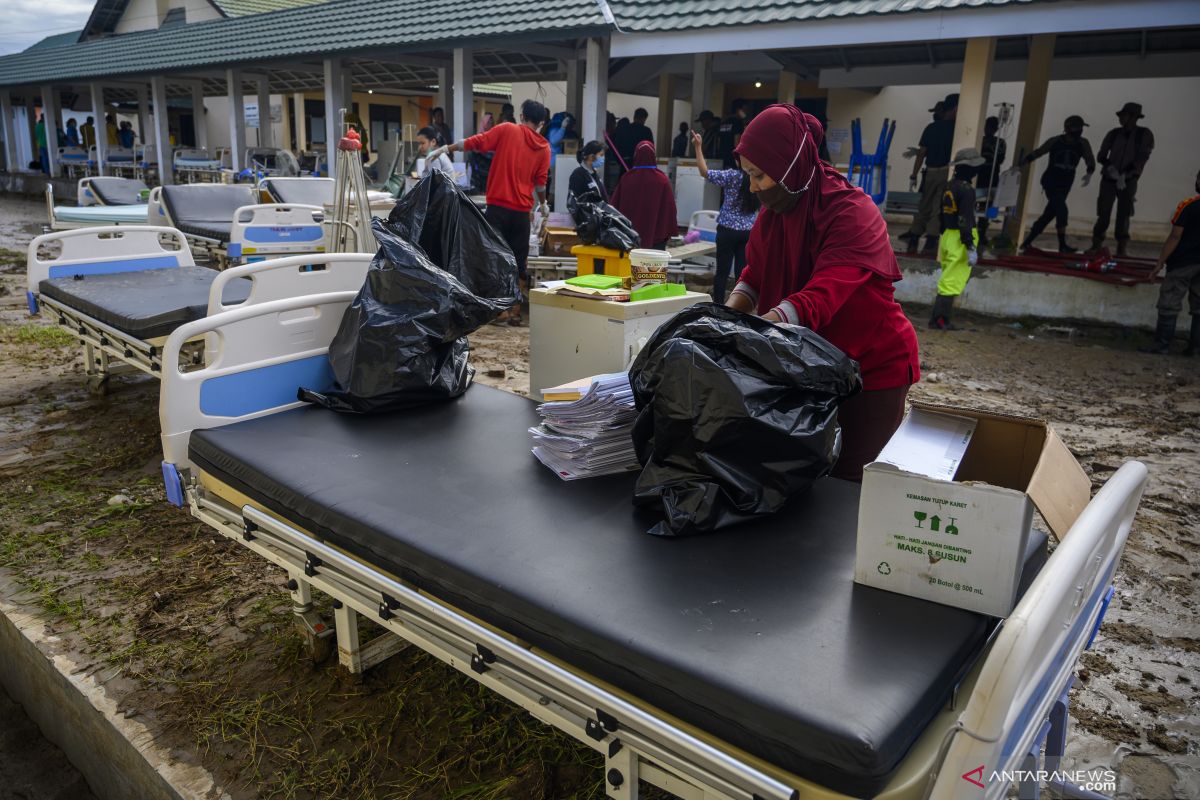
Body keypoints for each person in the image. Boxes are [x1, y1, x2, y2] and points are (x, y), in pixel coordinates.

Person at [726, 105, 920, 482]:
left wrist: (753, 332)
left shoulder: (852, 212)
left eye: (760, 175)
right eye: (748, 175)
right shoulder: (776, 210)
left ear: (788, 165)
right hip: (810, 363)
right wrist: (728, 315)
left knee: (850, 479)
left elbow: (820, 297)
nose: (752, 187)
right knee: (806, 470)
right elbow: (756, 273)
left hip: (870, 368)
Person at [433, 98, 550, 325]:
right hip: (522, 213)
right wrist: (543, 204)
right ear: (541, 122)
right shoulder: (544, 148)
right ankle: (515, 310)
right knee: (518, 260)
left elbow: (478, 142)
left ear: (522, 115)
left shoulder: (508, 130)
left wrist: (446, 148)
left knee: (494, 258)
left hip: (498, 208)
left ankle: (499, 311)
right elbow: (541, 184)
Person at [692, 129, 758, 303]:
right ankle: (739, 306)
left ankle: (719, 305)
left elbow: (704, 172)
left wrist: (698, 147)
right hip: (747, 231)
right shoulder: (758, 179)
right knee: (741, 274)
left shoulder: (731, 176)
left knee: (722, 272)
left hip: (727, 230)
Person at [1143, 170, 1200, 356]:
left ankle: (1162, 344)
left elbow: (1175, 236)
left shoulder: (1188, 206)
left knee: (1169, 301)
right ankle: (1195, 348)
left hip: (1183, 262)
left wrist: (1160, 262)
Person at [1019, 115, 1096, 253]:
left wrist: (1089, 172)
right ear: (1067, 128)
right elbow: (1039, 152)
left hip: (1065, 184)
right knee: (1061, 210)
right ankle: (1062, 245)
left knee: (1049, 213)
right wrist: (1024, 162)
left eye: (1080, 127)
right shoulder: (1055, 141)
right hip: (1051, 181)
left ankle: (1027, 242)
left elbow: (1090, 159)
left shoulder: (1083, 143)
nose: (1079, 130)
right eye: (1076, 127)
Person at [930, 148, 986, 330]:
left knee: (947, 276)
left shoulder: (949, 185)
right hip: (960, 238)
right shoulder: (967, 190)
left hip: (948, 235)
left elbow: (940, 213)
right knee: (952, 280)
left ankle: (938, 318)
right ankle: (941, 320)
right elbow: (965, 218)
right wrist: (970, 245)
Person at [1090, 102, 1155, 256]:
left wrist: (1125, 174)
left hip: (1128, 180)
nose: (1120, 118)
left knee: (1124, 214)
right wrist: (1110, 168)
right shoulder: (1113, 133)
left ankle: (1121, 248)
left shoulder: (1144, 134)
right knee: (1103, 213)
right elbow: (1101, 155)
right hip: (1108, 179)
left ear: (1133, 117)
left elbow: (1142, 157)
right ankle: (1096, 244)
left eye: (1124, 115)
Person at [901, 93, 958, 254]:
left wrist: (913, 174)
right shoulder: (958, 130)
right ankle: (930, 243)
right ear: (955, 109)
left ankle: (914, 239)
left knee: (924, 206)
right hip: (947, 172)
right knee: (938, 208)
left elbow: (921, 153)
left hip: (930, 173)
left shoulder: (931, 128)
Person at [611, 141, 678, 250]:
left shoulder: (627, 178)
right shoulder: (662, 180)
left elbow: (614, 206)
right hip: (656, 238)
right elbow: (670, 208)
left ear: (636, 156)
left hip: (629, 238)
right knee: (652, 267)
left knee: (631, 266)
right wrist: (669, 231)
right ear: (653, 156)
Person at [974, 116, 1007, 246]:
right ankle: (973, 231)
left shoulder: (1000, 143)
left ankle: (982, 232)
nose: (988, 130)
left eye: (991, 127)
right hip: (979, 175)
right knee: (973, 202)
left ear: (995, 129)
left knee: (989, 205)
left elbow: (999, 159)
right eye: (987, 127)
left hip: (992, 176)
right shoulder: (978, 141)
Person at [717, 99, 748, 165]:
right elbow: (736, 142)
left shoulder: (723, 122)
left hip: (721, 157)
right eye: (745, 110)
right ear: (739, 110)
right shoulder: (737, 122)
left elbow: (719, 141)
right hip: (732, 159)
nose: (746, 112)